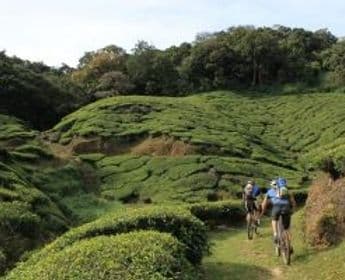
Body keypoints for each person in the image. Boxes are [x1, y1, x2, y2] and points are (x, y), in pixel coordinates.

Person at [261, 179, 296, 248]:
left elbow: (264, 203)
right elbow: (293, 202)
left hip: (276, 208)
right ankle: (290, 245)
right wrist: (293, 210)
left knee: (274, 220)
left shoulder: (270, 192)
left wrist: (263, 211)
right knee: (287, 228)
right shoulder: (287, 191)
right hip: (286, 208)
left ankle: (275, 234)